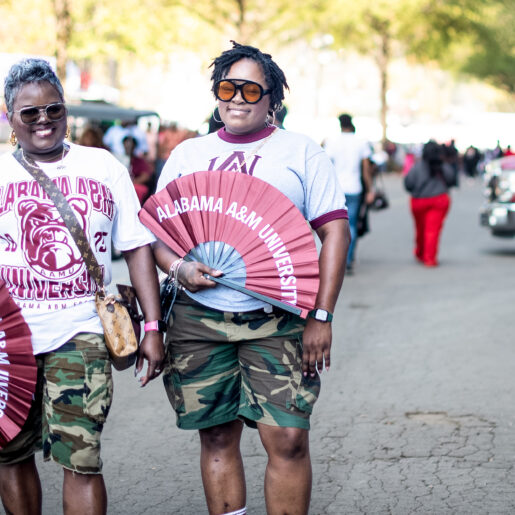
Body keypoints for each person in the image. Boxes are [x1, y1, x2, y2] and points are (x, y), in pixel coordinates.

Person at [0, 58, 165, 515]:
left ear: (65, 110)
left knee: (82, 458)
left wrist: (151, 328)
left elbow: (136, 248)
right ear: (12, 119)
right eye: (30, 113)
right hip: (3, 340)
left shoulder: (103, 166)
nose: (44, 120)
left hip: (83, 332)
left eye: (53, 109)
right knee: (11, 452)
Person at [150, 42, 350, 515]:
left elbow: (335, 231)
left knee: (288, 437)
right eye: (227, 87)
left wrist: (322, 315)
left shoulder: (301, 152)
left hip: (278, 316)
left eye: (250, 89)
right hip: (198, 320)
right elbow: (156, 236)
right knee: (217, 433)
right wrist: (178, 268)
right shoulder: (188, 154)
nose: (237, 98)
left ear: (272, 99)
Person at [324, 113, 374, 274]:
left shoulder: (332, 142)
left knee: (333, 225)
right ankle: (348, 259)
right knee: (351, 225)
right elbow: (366, 170)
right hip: (355, 188)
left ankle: (334, 258)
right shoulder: (361, 142)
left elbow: (325, 166)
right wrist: (370, 189)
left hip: (336, 188)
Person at [404, 140, 456, 267]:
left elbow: (408, 184)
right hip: (439, 200)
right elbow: (451, 180)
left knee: (420, 229)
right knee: (432, 231)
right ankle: (429, 258)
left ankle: (420, 252)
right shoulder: (442, 166)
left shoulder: (417, 167)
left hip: (418, 201)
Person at [122, 135, 153, 203]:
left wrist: (132, 183)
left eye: (130, 146)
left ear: (134, 147)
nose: (128, 147)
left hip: (134, 185)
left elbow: (145, 176)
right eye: (126, 145)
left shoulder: (139, 161)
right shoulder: (118, 159)